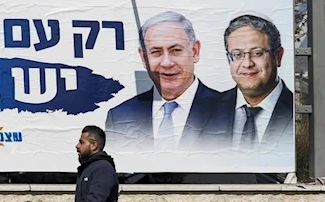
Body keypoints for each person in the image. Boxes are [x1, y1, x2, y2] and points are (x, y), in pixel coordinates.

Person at [105, 11, 221, 152]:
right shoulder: (119, 117)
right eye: (156, 52)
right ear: (143, 58)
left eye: (176, 50)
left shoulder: (228, 110)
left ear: (195, 51)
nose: (166, 63)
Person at [200, 14, 293, 154]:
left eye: (257, 53)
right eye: (237, 54)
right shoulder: (203, 112)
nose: (247, 63)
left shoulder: (302, 112)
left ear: (278, 56)